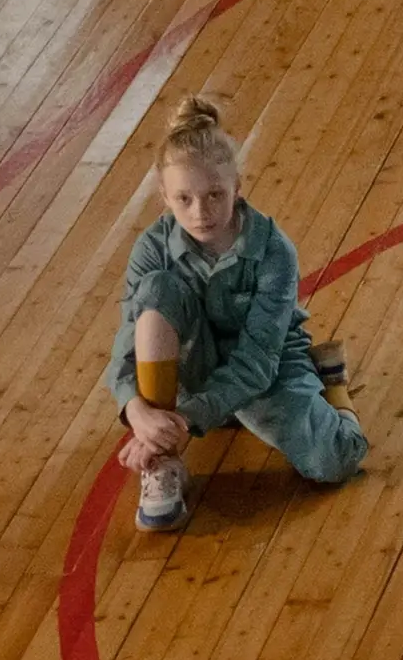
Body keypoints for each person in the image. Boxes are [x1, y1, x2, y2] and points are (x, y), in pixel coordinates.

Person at [105, 96, 364, 533]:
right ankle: (162, 462)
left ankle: (333, 385)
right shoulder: (151, 248)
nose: (200, 212)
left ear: (237, 187)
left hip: (262, 369)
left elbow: (258, 362)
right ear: (164, 196)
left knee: (334, 460)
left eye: (215, 195)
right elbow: (126, 345)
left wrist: (185, 419)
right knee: (156, 290)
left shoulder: (274, 251)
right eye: (184, 198)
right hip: (192, 368)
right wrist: (137, 412)